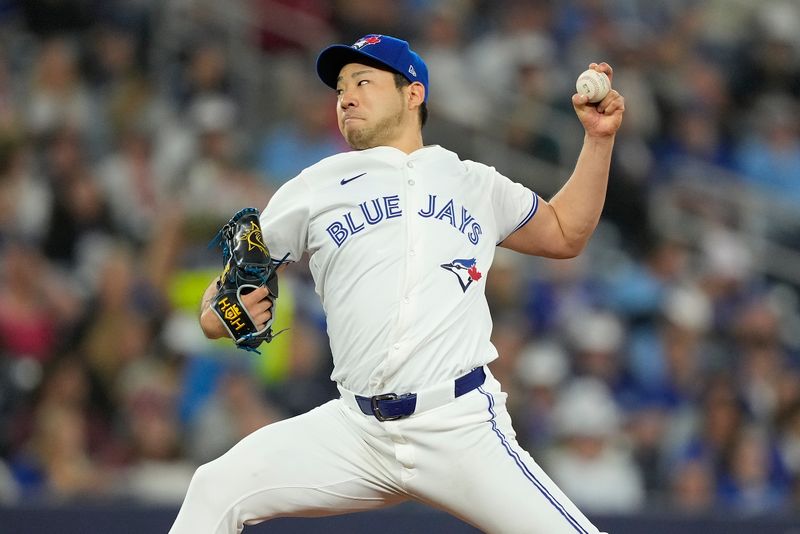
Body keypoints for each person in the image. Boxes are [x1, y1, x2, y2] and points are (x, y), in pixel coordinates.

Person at [170, 34, 624, 534]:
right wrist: (219, 314)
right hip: (355, 430)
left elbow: (565, 232)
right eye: (341, 87)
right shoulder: (312, 186)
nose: (346, 96)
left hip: (458, 425)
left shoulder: (473, 181)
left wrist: (598, 141)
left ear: (413, 94)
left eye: (363, 81)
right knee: (215, 488)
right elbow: (225, 297)